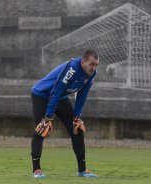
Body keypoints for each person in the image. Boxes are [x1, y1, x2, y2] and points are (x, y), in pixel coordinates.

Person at [30, 50, 99, 179]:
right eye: (92, 64)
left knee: (77, 130)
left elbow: (82, 95)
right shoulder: (72, 68)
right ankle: (36, 170)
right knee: (41, 130)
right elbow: (57, 90)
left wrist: (76, 117)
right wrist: (48, 117)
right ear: (83, 62)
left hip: (60, 98)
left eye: (96, 65)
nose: (94, 68)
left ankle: (82, 170)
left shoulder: (92, 74)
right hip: (42, 95)